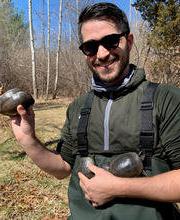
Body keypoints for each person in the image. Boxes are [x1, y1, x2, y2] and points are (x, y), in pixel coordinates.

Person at [11, 2, 180, 220]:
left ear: (128, 41)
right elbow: (63, 168)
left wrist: (118, 187)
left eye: (110, 41)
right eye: (90, 47)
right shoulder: (79, 107)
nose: (101, 54)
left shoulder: (166, 99)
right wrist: (28, 140)